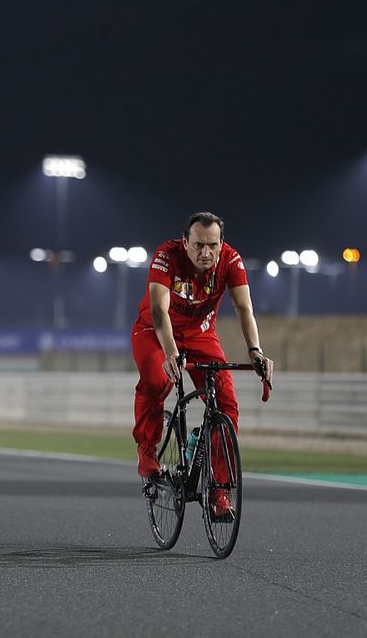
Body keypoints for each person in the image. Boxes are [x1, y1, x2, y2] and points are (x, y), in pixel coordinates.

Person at [131, 211, 274, 517]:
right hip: (155, 332)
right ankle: (147, 448)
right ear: (185, 242)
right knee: (157, 381)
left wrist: (256, 350)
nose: (205, 252)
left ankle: (220, 490)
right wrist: (170, 352)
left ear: (222, 245)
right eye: (197, 245)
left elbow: (244, 308)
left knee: (226, 403)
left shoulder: (232, 261)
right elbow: (158, 309)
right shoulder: (166, 256)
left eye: (212, 245)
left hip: (200, 335)